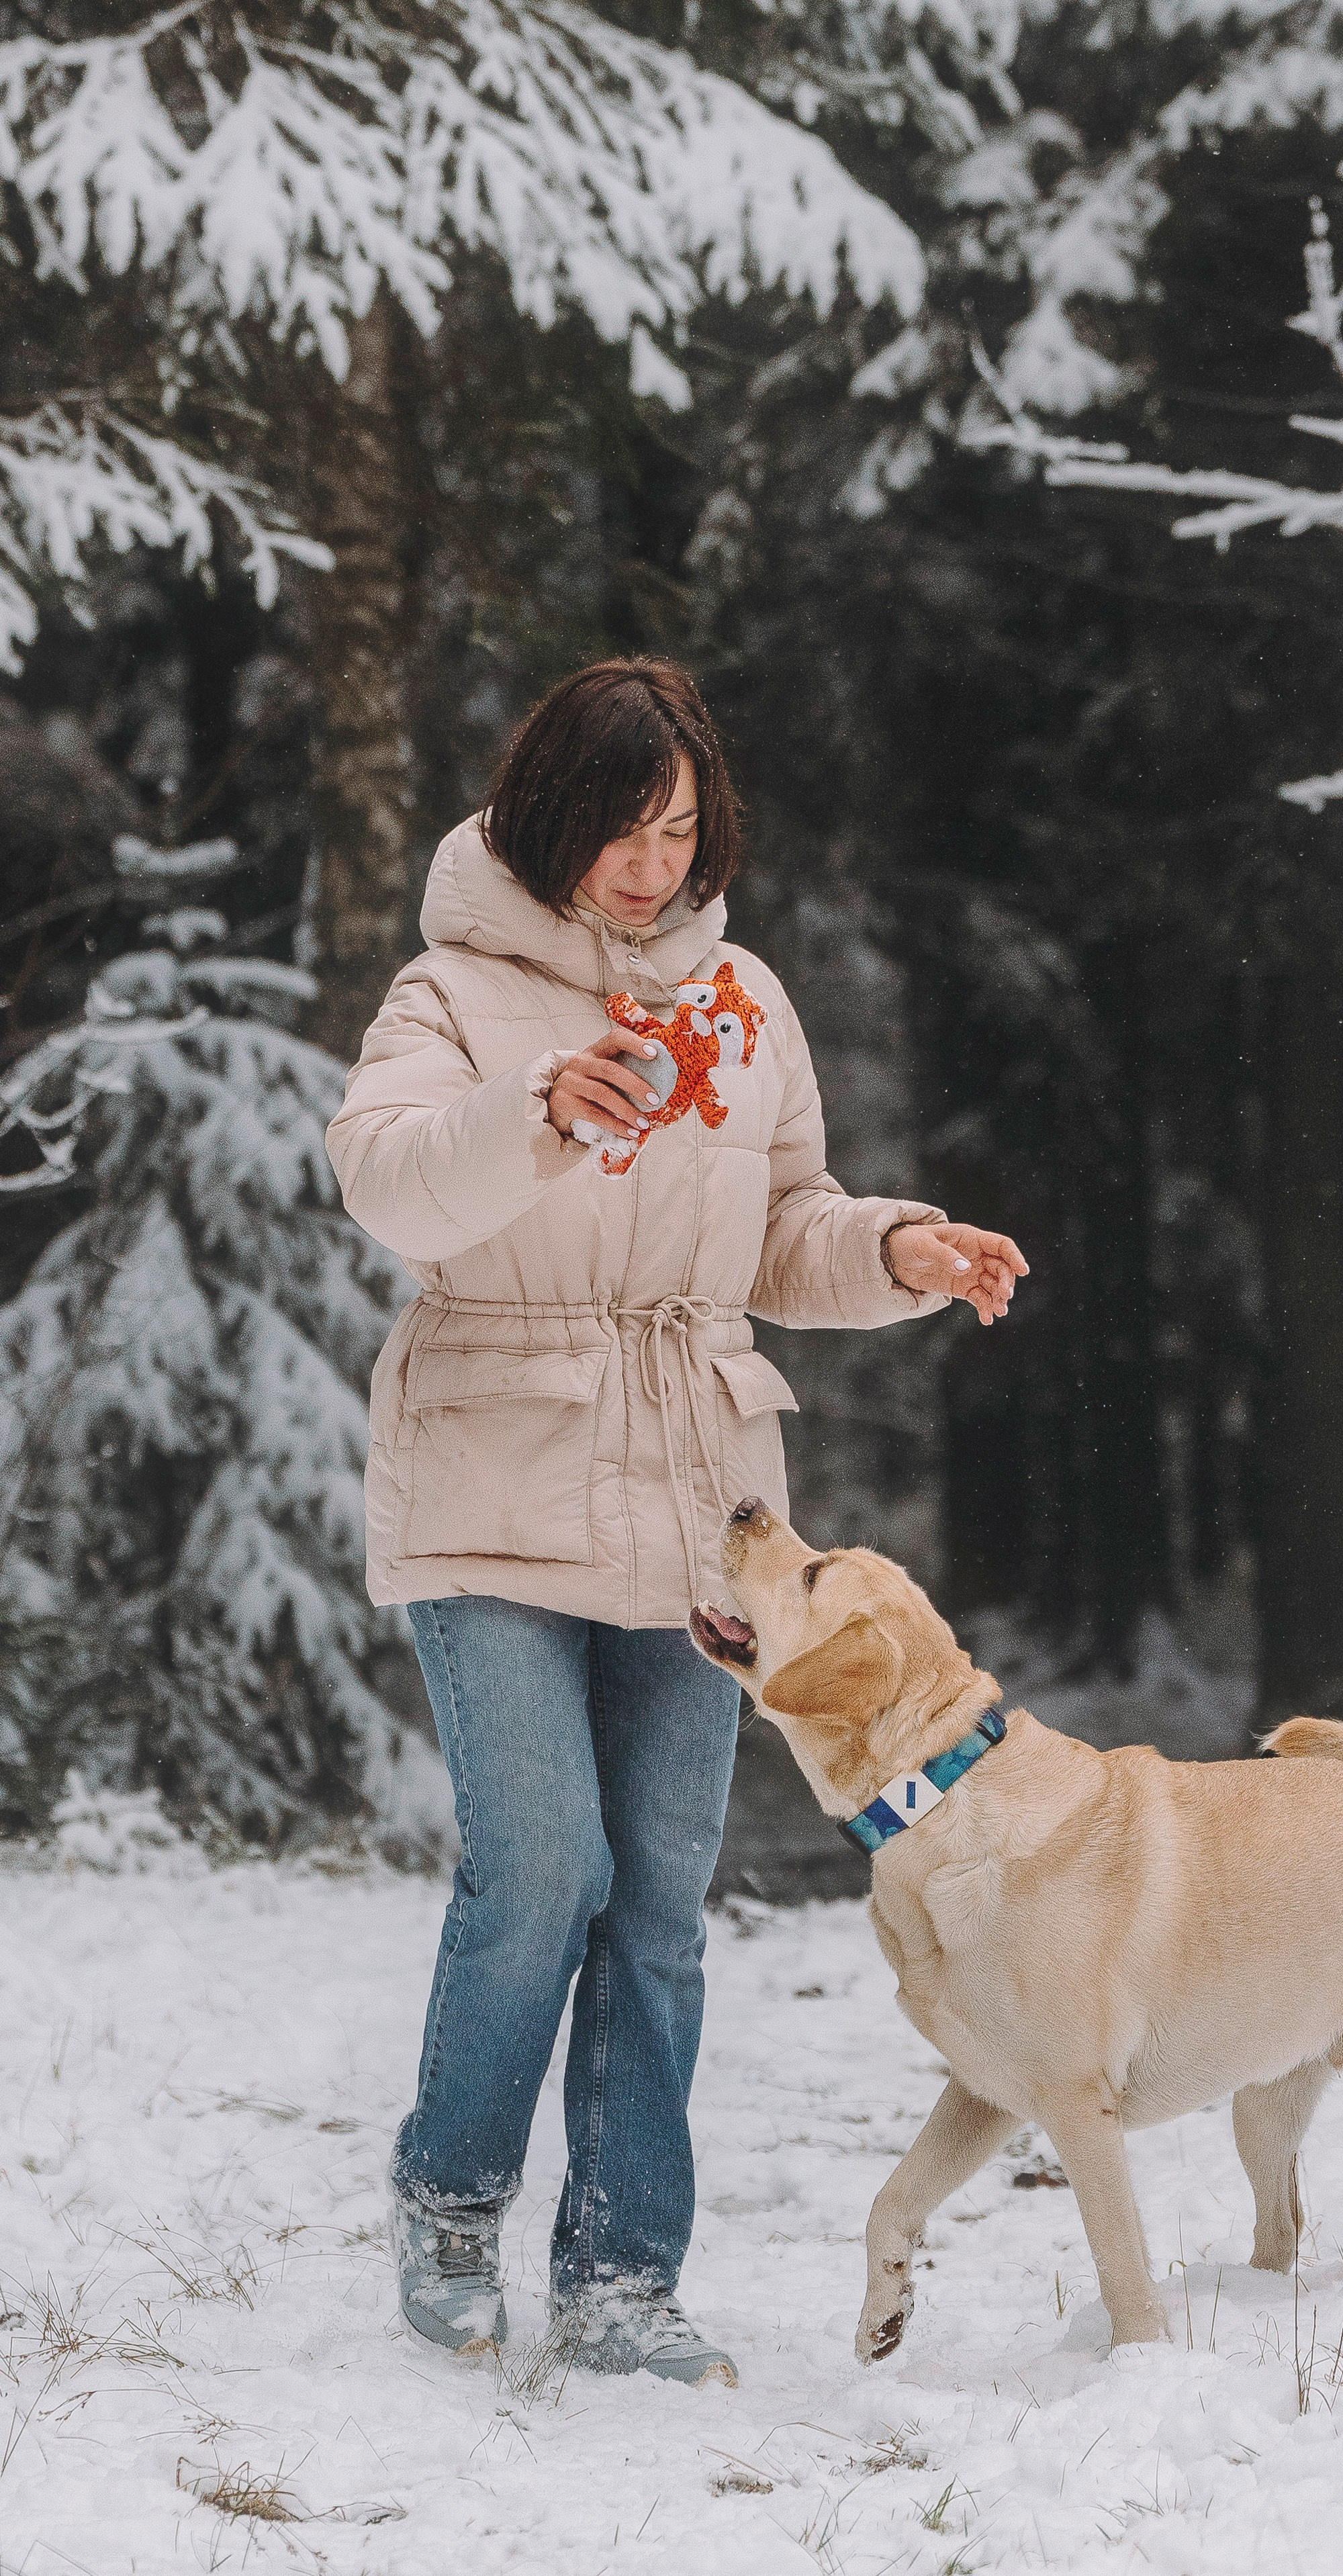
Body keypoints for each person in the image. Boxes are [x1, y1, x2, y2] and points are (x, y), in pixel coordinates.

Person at [326, 657, 1027, 2388]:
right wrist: (544, 1108)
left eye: (683, 828)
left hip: (703, 1503)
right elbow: (386, 1176)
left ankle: (628, 2272)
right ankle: (450, 2194)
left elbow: (783, 1224)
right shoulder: (456, 992)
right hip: (494, 1468)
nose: (654, 865)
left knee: (655, 1896)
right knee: (542, 1868)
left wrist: (895, 1253)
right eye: (624, 829)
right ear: (550, 817)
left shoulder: (746, 1002)